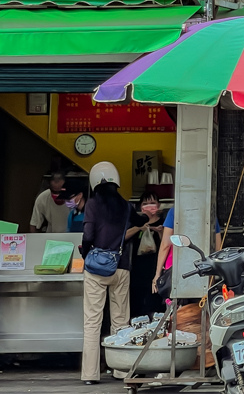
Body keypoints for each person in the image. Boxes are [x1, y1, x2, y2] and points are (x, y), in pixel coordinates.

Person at [80, 162, 147, 385]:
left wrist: (86, 252)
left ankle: (90, 375)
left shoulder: (92, 204)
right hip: (121, 267)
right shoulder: (125, 205)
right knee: (120, 321)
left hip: (97, 270)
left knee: (92, 322)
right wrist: (149, 217)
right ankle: (121, 371)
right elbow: (140, 221)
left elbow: (88, 233)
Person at [152, 206, 222, 299]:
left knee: (177, 309)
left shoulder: (174, 211)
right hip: (204, 269)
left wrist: (157, 274)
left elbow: (166, 244)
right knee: (200, 308)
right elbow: (217, 247)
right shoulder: (209, 213)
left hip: (174, 270)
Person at [129, 191, 164, 317]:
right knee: (136, 303)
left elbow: (166, 245)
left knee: (154, 302)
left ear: (158, 205)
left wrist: (160, 232)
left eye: (152, 203)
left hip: (156, 268)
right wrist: (139, 227)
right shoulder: (135, 222)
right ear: (140, 207)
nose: (149, 206)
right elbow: (123, 237)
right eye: (145, 204)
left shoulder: (164, 223)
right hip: (137, 269)